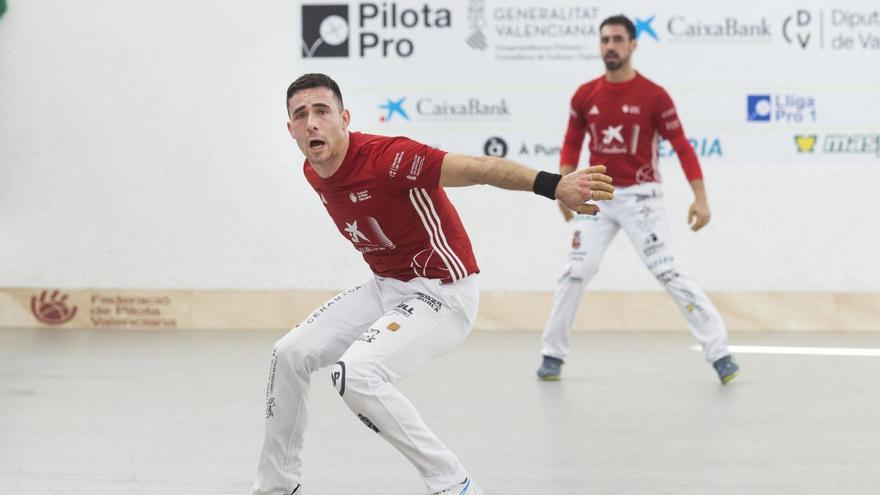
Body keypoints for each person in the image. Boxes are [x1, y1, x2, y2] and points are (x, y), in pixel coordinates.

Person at [251, 73, 614, 495]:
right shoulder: (314, 170)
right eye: (301, 115)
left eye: (322, 111)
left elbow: (478, 169)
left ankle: (453, 485)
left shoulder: (390, 158)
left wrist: (554, 186)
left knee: (355, 375)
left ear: (344, 118)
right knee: (288, 353)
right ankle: (276, 487)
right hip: (387, 286)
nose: (312, 122)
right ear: (291, 129)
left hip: (444, 293)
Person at [535, 15, 739, 384]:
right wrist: (562, 187)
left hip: (642, 199)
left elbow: (681, 145)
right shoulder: (585, 95)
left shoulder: (654, 96)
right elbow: (571, 141)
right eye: (604, 40)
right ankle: (552, 354)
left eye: (617, 39)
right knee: (576, 271)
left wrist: (700, 198)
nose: (609, 46)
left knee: (669, 271)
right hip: (597, 196)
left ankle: (719, 351)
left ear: (632, 45)